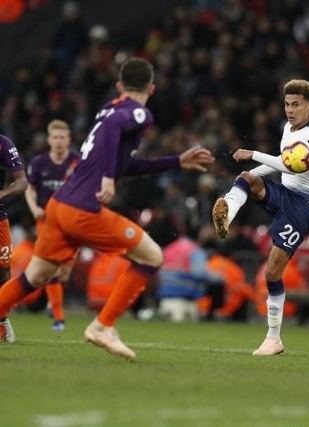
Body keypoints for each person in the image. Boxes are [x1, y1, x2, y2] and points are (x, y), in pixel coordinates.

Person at [0, 57, 214, 359]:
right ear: (151, 89)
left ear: (119, 86)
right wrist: (107, 179)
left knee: (35, 275)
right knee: (152, 256)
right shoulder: (138, 112)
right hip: (83, 209)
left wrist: (176, 161)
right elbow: (115, 139)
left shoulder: (107, 109)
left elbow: (127, 164)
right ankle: (103, 325)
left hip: (60, 206)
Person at [211, 79, 309, 356]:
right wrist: (253, 167)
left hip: (304, 207)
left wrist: (253, 153)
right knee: (247, 179)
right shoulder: (288, 128)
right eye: (287, 104)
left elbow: (293, 166)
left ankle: (274, 338)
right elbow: (279, 161)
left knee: (272, 271)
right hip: (285, 194)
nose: (290, 110)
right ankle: (226, 214)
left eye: (296, 104)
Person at [24, 119, 81, 331]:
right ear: (49, 139)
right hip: (46, 222)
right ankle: (59, 318)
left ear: (68, 140)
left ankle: (52, 301)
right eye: (55, 137)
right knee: (53, 270)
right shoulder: (39, 162)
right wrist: (34, 209)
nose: (58, 141)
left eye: (62, 137)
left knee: (64, 272)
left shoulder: (77, 161)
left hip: (72, 223)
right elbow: (29, 188)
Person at [157, 231, 224, 323]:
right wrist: (218, 277)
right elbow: (200, 273)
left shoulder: (169, 248)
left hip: (165, 298)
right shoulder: (194, 250)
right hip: (185, 300)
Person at [0, 134, 28, 343]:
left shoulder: (4, 144)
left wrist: (0, 195)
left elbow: (22, 183)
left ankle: (2, 321)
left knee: (3, 272)